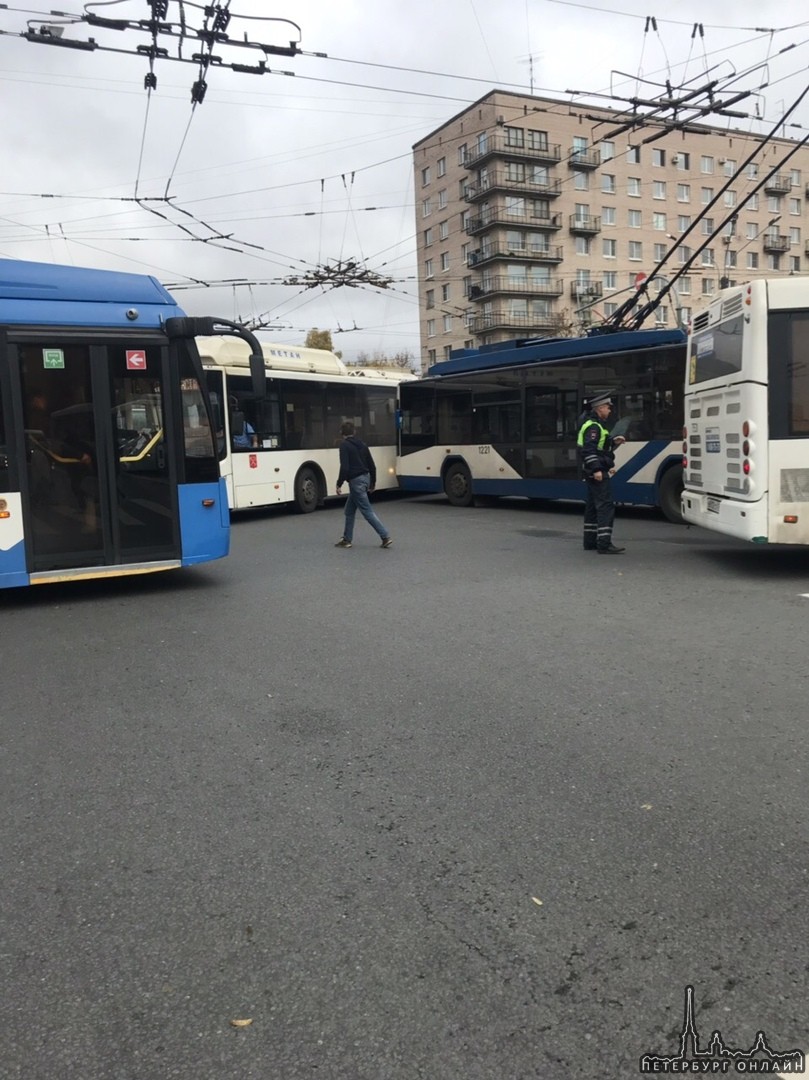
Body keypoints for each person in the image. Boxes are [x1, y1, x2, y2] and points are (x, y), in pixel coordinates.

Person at [576, 391, 626, 554]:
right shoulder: (594, 426)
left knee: (592, 506)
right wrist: (597, 469)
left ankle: (590, 542)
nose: (610, 411)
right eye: (608, 408)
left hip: (592, 471)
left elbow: (599, 448)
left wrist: (613, 442)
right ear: (600, 408)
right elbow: (589, 450)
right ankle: (604, 543)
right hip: (596, 472)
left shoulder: (593, 424)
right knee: (605, 506)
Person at [334, 421, 392, 549]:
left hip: (356, 482)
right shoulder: (362, 445)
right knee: (349, 511)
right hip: (366, 478)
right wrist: (373, 483)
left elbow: (345, 468)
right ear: (354, 432)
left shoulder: (344, 445)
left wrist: (339, 484)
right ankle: (347, 539)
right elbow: (372, 465)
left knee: (367, 511)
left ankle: (385, 536)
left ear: (341, 433)